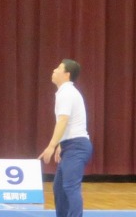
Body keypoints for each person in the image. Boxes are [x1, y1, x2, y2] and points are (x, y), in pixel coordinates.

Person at [38, 59, 92, 217]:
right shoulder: (65, 92)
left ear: (67, 74)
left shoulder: (67, 92)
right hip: (70, 145)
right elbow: (71, 122)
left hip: (77, 146)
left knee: (70, 187)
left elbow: (63, 120)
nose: (54, 70)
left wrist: (51, 146)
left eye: (58, 68)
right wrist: (61, 144)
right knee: (59, 188)